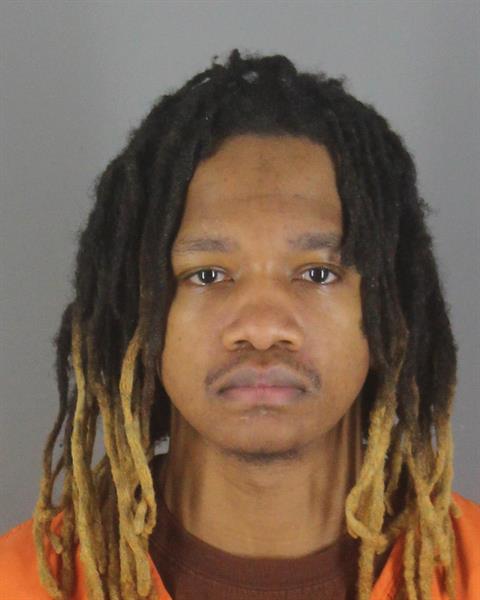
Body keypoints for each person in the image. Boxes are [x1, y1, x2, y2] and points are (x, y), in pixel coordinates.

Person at [0, 49, 478, 600]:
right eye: (207, 275)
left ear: (391, 308)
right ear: (136, 309)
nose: (262, 328)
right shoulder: (24, 583)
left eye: (318, 273)